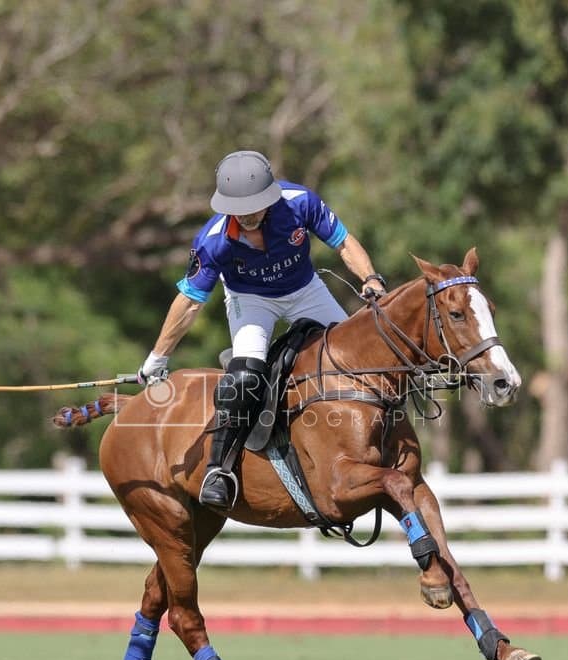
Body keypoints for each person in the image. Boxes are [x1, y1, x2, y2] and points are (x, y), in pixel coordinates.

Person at [138, 150, 386, 509]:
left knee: (359, 359)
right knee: (244, 379)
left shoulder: (300, 202)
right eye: (240, 208)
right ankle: (219, 469)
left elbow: (344, 243)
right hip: (250, 299)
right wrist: (157, 358)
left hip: (306, 290)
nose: (249, 214)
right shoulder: (213, 240)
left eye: (255, 205)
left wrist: (372, 279)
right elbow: (189, 302)